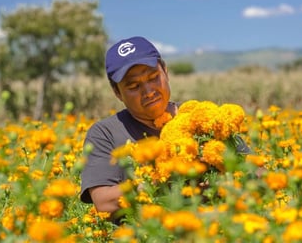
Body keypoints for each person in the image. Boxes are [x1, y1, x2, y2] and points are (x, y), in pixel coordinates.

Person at [80, 36, 251, 222]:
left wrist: (227, 176)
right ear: (117, 92)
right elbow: (104, 202)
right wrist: (163, 173)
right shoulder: (106, 133)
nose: (149, 91)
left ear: (165, 72)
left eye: (153, 78)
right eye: (134, 86)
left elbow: (258, 172)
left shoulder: (200, 117)